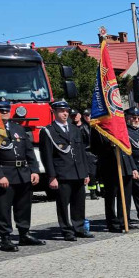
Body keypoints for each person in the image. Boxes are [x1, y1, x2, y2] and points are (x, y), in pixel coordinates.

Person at [0, 98, 44, 251]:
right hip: (5, 174)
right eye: (1, 110)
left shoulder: (18, 128)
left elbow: (29, 151)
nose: (5, 112)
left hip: (23, 173)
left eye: (7, 110)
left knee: (23, 206)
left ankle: (24, 234)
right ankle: (5, 238)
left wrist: (35, 170)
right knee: (3, 208)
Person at [39, 100, 93, 241]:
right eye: (61, 111)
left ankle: (79, 227)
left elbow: (81, 152)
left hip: (78, 172)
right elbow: (47, 156)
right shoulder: (48, 131)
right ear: (54, 112)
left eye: (66, 111)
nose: (65, 114)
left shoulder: (74, 129)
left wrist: (85, 172)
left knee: (79, 202)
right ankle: (67, 230)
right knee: (63, 204)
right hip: (62, 173)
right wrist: (52, 176)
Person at [90, 117, 139, 233]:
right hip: (110, 167)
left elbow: (127, 148)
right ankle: (112, 223)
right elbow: (94, 148)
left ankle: (124, 221)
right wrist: (110, 144)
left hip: (125, 166)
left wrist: (133, 167)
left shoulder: (119, 124)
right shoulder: (97, 127)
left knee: (125, 197)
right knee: (111, 197)